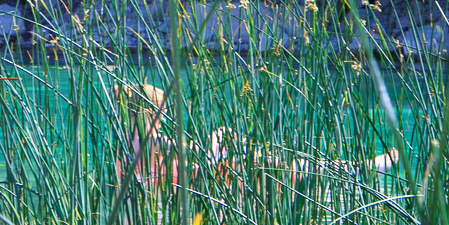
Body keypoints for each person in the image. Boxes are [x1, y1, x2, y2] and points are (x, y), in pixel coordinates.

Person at [112, 82, 399, 197]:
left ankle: (343, 169)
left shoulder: (131, 138)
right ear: (147, 111)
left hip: (193, 181)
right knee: (264, 162)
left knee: (254, 156)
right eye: (162, 112)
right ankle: (352, 170)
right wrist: (219, 143)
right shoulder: (144, 138)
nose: (165, 117)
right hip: (195, 183)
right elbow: (190, 155)